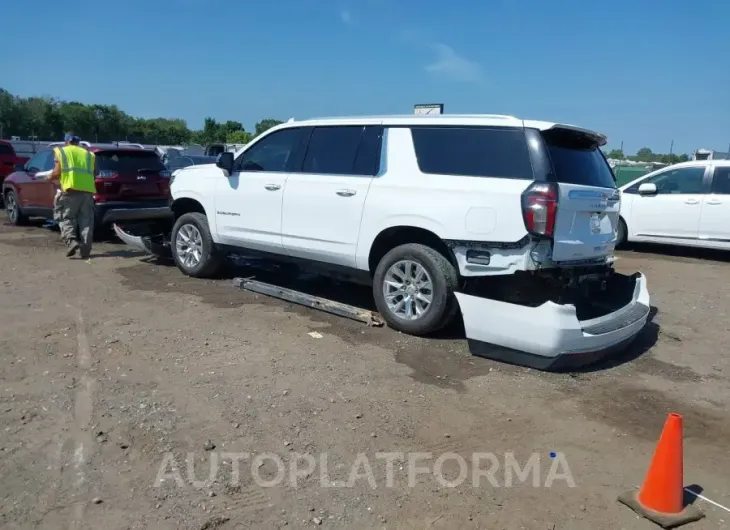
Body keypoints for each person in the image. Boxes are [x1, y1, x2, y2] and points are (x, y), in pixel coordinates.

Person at [47, 133, 97, 258]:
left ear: (66, 141)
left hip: (70, 191)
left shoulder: (62, 151)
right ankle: (85, 250)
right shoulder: (89, 154)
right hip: (87, 193)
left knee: (65, 217)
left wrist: (49, 176)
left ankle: (71, 242)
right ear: (78, 142)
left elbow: (57, 172)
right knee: (86, 221)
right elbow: (95, 173)